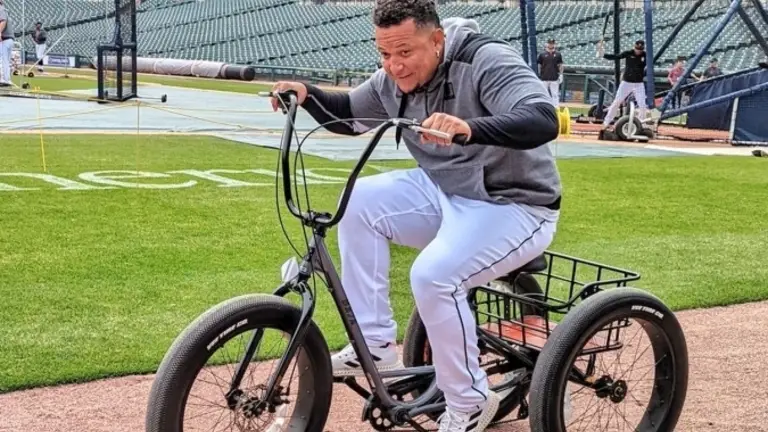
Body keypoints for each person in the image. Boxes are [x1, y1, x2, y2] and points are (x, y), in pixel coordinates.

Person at [270, 1, 562, 430]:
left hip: (514, 202)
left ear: (437, 40)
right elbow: (349, 115)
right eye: (385, 54)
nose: (395, 65)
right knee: (359, 201)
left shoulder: (485, 59)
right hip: (447, 189)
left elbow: (542, 118)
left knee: (433, 276)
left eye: (405, 52)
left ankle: (469, 402)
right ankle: (374, 345)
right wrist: (307, 95)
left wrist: (470, 128)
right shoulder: (394, 76)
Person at [601, 39, 648, 128]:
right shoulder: (629, 53)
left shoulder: (645, 55)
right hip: (626, 82)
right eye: (637, 49)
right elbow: (617, 56)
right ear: (634, 47)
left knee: (642, 104)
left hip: (638, 83)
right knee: (617, 101)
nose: (638, 51)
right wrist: (604, 55)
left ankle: (641, 123)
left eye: (640, 49)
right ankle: (607, 121)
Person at [537, 38, 564, 107]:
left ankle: (556, 108)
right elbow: (539, 65)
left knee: (555, 94)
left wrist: (561, 74)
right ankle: (544, 107)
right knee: (543, 94)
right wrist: (539, 74)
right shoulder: (542, 54)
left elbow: (560, 65)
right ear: (547, 44)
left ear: (554, 44)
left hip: (554, 77)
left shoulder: (558, 54)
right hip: (544, 77)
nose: (551, 45)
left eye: (552, 43)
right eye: (550, 43)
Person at [0, 0, 14, 86]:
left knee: (2, 60)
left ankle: (4, 80)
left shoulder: (1, 9)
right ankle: (7, 79)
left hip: (5, 39)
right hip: (9, 39)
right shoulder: (4, 10)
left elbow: (3, 21)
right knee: (6, 61)